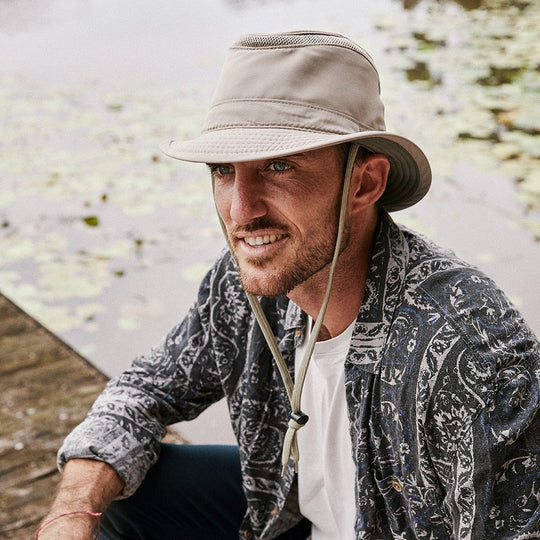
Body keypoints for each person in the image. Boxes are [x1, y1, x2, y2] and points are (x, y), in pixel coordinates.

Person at [36, 31, 539, 540]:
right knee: (124, 497)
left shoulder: (468, 349)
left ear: (364, 183)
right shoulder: (240, 287)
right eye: (224, 171)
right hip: (293, 517)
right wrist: (72, 513)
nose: (241, 211)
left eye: (280, 166)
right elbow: (144, 392)